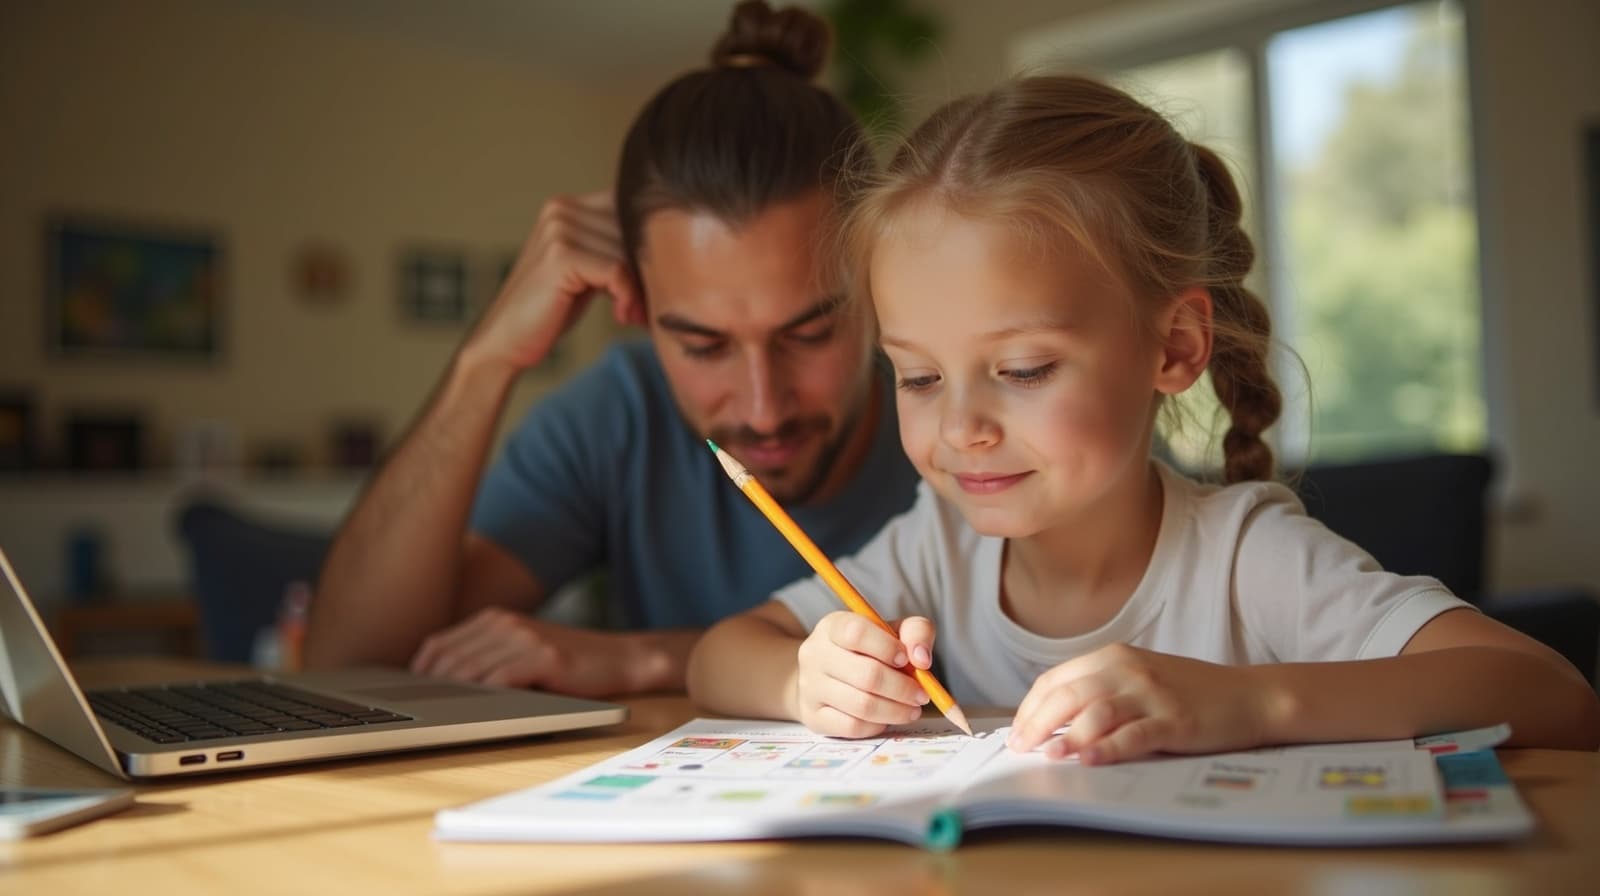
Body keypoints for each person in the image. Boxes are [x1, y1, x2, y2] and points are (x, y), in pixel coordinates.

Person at [687, 74, 1600, 760]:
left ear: (1172, 348)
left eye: (1023, 368)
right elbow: (721, 654)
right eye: (918, 377)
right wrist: (804, 680)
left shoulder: (1245, 555)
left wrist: (1242, 705)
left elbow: (1551, 693)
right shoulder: (936, 549)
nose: (961, 426)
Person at [303, 1, 919, 697]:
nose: (763, 407)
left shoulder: (949, 416)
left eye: (809, 334)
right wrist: (488, 358)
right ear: (639, 303)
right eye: (703, 345)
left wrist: (642, 659)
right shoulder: (620, 413)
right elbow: (348, 666)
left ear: (873, 279)